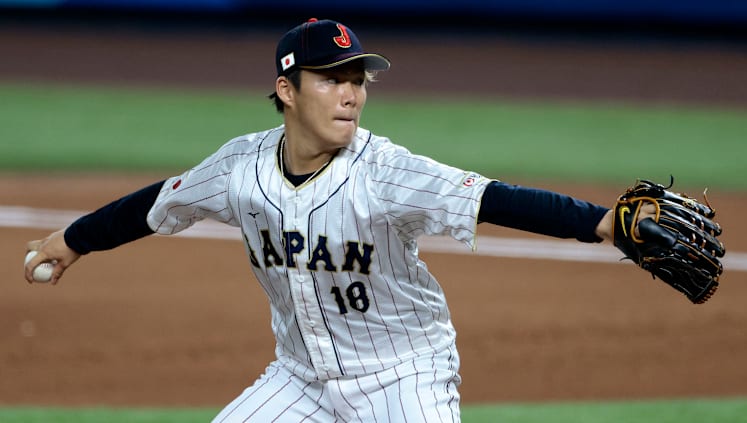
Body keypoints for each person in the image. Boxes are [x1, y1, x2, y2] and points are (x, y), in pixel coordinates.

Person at [25, 18, 654, 422]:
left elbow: (495, 198)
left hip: (403, 376)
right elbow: (159, 202)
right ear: (288, 90)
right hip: (301, 380)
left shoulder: (385, 171)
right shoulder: (239, 167)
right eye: (331, 79)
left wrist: (602, 224)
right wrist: (72, 241)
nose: (351, 92)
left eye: (357, 79)